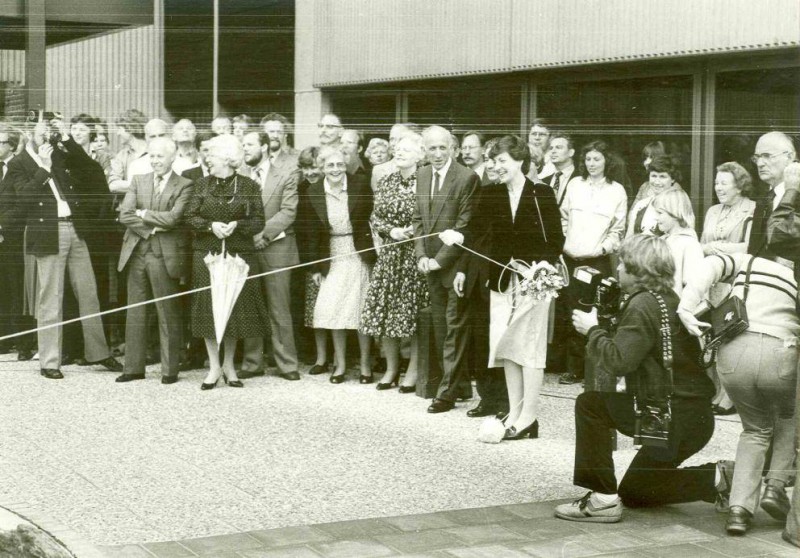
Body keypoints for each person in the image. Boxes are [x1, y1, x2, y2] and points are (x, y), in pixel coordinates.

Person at [555, 235, 719, 524]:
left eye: (622, 266)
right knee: (636, 491)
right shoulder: (668, 299)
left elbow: (620, 361)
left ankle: (602, 500)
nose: (617, 270)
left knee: (590, 404)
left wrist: (592, 330)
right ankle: (722, 477)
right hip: (692, 416)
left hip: (670, 415)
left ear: (636, 271)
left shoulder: (642, 304)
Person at [679, 252, 798, 535]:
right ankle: (776, 487)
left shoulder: (748, 262)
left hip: (733, 355)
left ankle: (739, 511)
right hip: (780, 354)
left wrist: (686, 307)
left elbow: (707, 265)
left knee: (754, 430)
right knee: (789, 419)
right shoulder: (795, 277)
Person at [453, 135, 564, 436]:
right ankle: (515, 413)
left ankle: (529, 417)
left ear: (519, 161)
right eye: (493, 161)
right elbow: (474, 231)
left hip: (534, 281)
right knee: (506, 346)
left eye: (502, 161)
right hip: (501, 281)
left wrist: (536, 266)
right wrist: (456, 237)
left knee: (529, 347)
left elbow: (556, 241)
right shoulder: (491, 194)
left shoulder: (542, 194)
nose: (496, 166)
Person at [6, 120, 122, 379]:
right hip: (47, 233)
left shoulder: (58, 153)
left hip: (74, 229)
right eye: (42, 132)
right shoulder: (18, 164)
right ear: (29, 134)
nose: (48, 136)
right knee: (51, 298)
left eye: (50, 132)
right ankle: (49, 361)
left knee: (89, 292)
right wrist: (43, 170)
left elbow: (90, 169)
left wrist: (67, 140)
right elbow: (21, 199)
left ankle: (98, 352)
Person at [184, 135, 269, 389]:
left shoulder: (249, 186)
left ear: (229, 159)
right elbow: (189, 217)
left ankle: (230, 366)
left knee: (233, 310)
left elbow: (259, 221)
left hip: (238, 255)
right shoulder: (200, 184)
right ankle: (213, 367)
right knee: (209, 309)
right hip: (206, 255)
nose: (207, 158)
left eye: (213, 154)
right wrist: (210, 226)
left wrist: (237, 225)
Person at [412, 125, 480, 413]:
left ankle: (447, 393)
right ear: (424, 151)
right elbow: (418, 220)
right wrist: (420, 256)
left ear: (453, 149)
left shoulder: (467, 178)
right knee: (442, 329)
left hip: (456, 265)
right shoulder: (423, 174)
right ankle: (459, 385)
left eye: (443, 148)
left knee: (454, 328)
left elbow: (465, 226)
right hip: (429, 265)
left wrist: (439, 260)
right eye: (431, 148)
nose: (437, 154)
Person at [116, 137, 194, 384]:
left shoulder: (185, 185)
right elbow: (125, 214)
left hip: (164, 255)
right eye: (152, 156)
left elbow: (173, 219)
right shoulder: (138, 180)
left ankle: (169, 370)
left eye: (160, 156)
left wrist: (144, 213)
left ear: (173, 158)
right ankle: (133, 368)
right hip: (137, 251)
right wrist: (149, 228)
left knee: (167, 311)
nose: (155, 161)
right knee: (135, 311)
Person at [360, 133, 428, 392]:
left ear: (420, 155)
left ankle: (413, 370)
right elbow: (375, 218)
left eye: (406, 151)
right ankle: (391, 368)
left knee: (412, 313)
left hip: (414, 253)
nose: (399, 154)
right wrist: (391, 231)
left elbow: (430, 215)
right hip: (390, 255)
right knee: (385, 312)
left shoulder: (425, 181)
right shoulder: (387, 180)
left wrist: (411, 230)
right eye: (397, 150)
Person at [303, 147, 375, 383]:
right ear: (322, 168)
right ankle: (340, 365)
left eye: (339, 165)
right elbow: (312, 233)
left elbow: (371, 219)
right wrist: (315, 267)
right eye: (330, 165)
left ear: (345, 166)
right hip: (331, 255)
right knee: (333, 309)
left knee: (361, 309)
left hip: (357, 253)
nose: (335, 169)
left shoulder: (360, 185)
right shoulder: (314, 191)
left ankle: (365, 366)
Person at [558, 140, 628, 385]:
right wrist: (565, 244)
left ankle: (595, 368)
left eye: (597, 159)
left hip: (597, 262)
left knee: (596, 313)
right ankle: (574, 368)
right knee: (571, 312)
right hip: (570, 260)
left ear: (606, 161)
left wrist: (601, 248)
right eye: (588, 159)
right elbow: (563, 217)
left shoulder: (617, 191)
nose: (592, 164)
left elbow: (618, 229)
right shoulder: (575, 185)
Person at [238, 131, 301, 382]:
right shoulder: (239, 176)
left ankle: (287, 364)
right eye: (243, 145)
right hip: (247, 248)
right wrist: (249, 235)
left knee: (279, 307)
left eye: (250, 145)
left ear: (264, 147)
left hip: (277, 248)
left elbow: (288, 211)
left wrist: (262, 234)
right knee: (251, 305)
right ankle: (252, 362)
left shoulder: (285, 174)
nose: (245, 149)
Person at [700, 161, 756, 415]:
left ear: (739, 185)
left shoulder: (752, 210)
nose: (718, 188)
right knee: (711, 338)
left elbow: (749, 247)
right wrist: (710, 248)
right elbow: (702, 243)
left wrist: (716, 248)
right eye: (716, 183)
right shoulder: (713, 210)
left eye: (724, 183)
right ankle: (714, 391)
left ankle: (730, 396)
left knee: (730, 339)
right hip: (712, 283)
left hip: (736, 283)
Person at [0, 125, 36, 360]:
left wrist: (2, 226)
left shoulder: (19, 167)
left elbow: (21, 204)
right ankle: (4, 340)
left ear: (11, 146)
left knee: (17, 289)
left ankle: (24, 343)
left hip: (13, 237)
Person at [293, 147, 329, 372]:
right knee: (315, 309)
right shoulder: (302, 189)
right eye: (305, 168)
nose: (310, 172)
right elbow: (303, 230)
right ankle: (321, 357)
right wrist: (313, 264)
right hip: (312, 257)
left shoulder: (334, 187)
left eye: (314, 167)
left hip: (335, 252)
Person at [746, 132, 797, 258]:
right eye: (757, 157)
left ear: (790, 157)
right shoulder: (764, 200)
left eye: (767, 156)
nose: (759, 163)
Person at [651, 189, 704, 296]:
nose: (656, 217)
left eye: (660, 213)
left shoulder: (690, 244)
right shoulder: (663, 239)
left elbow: (693, 286)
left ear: (675, 213)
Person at [626, 156, 683, 237]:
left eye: (662, 176)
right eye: (654, 176)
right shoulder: (641, 205)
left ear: (673, 179)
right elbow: (628, 239)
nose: (657, 182)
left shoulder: (679, 207)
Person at [108, 108, 148, 195]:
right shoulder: (122, 155)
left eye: (119, 129)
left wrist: (127, 185)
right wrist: (143, 186)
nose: (117, 134)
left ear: (129, 128)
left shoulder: (153, 151)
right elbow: (113, 185)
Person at [539, 132, 576, 207]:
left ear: (571, 152)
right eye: (551, 148)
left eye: (558, 147)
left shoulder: (582, 178)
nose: (553, 151)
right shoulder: (543, 182)